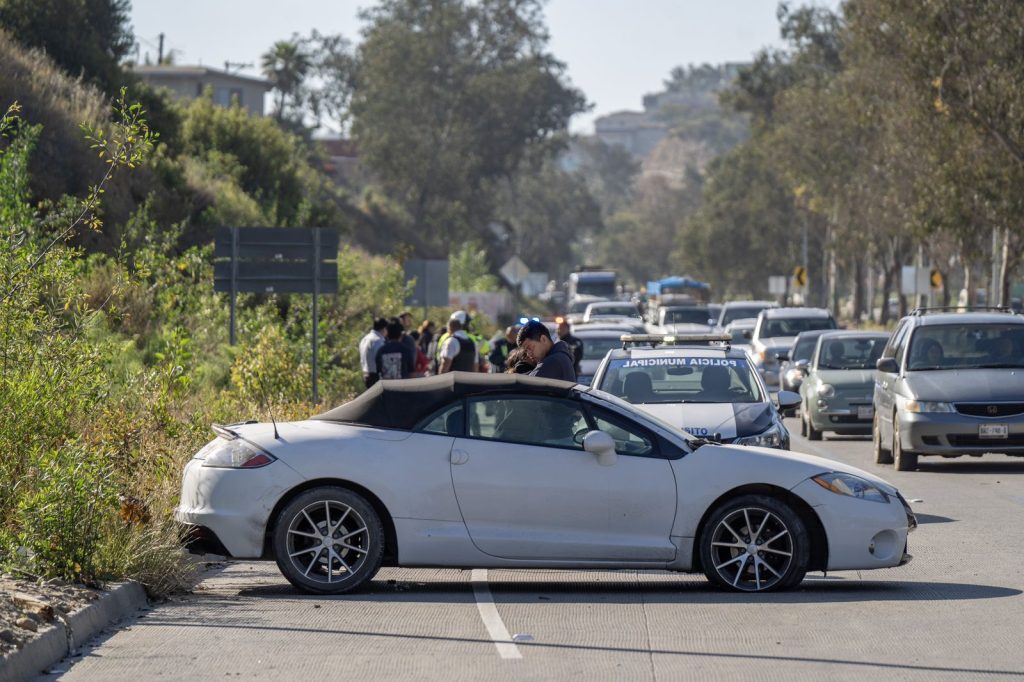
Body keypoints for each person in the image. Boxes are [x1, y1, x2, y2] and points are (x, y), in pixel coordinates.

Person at [358, 317, 388, 388]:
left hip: (366, 375)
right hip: (376, 376)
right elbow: (381, 361)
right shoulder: (378, 341)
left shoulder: (364, 339)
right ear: (384, 328)